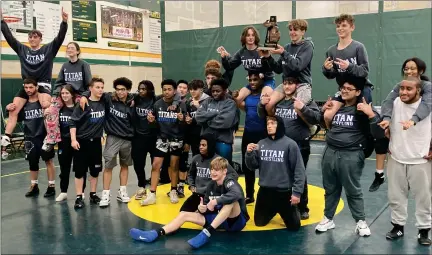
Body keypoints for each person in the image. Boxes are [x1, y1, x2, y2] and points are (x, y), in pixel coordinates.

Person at [298, 76, 385, 237]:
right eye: (343, 88)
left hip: (351, 154)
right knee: (330, 188)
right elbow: (319, 122)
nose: (344, 91)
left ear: (358, 92)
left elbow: (379, 134)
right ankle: (328, 218)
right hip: (330, 152)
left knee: (353, 189)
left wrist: (371, 115)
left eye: (349, 89)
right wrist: (316, 110)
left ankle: (360, 221)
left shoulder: (363, 111)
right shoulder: (335, 108)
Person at [321, 13, 387, 194]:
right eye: (338, 26)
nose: (341, 29)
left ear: (352, 27)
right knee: (327, 114)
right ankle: (334, 143)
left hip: (360, 89)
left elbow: (364, 71)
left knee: (371, 123)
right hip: (343, 90)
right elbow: (331, 75)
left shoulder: (358, 47)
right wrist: (326, 70)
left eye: (344, 25)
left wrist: (348, 67)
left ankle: (379, 172)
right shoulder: (331, 50)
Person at [129, 157, 249, 249]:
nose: (213, 172)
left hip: (235, 222)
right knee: (185, 214)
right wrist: (203, 208)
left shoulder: (229, 181)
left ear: (224, 171)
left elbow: (237, 194)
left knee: (231, 202)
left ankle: (206, 234)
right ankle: (155, 234)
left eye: (217, 170)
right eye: (212, 169)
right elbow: (208, 206)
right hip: (218, 220)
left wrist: (216, 201)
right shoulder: (211, 185)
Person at [1, 9, 68, 150]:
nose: (32, 39)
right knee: (14, 108)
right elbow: (9, 38)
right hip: (27, 84)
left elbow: (59, 38)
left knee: (46, 105)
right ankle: (7, 136)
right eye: (30, 37)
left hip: (43, 83)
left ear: (40, 39)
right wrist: (2, 21)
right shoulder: (22, 49)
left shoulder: (48, 50)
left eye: (35, 37)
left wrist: (64, 22)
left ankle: (50, 136)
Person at [259, 76, 322, 220]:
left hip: (299, 143)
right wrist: (261, 104)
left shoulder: (304, 101)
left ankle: (303, 207)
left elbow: (317, 118)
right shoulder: (278, 102)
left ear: (297, 85)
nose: (287, 87)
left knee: (299, 174)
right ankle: (282, 206)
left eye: (291, 83)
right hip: (280, 145)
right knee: (282, 175)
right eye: (285, 84)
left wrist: (303, 108)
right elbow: (262, 115)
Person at [384, 77, 431, 246]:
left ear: (418, 90)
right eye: (402, 88)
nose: (403, 92)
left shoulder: (427, 106)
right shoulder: (395, 103)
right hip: (396, 157)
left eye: (408, 89)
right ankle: (398, 227)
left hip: (421, 160)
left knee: (423, 198)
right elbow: (385, 116)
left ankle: (424, 230)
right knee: (396, 196)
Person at [79, 77, 134, 207]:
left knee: (125, 165)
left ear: (128, 90)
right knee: (108, 166)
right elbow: (93, 91)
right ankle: (105, 193)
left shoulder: (133, 100)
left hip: (127, 138)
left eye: (123, 90)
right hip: (112, 137)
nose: (120, 92)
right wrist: (83, 96)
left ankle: (122, 191)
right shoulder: (109, 98)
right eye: (118, 89)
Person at [259, 19, 318, 136]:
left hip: (302, 84)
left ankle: (312, 127)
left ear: (303, 31)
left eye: (295, 30)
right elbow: (278, 69)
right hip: (286, 84)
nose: (292, 32)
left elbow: (298, 66)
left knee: (298, 107)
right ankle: (278, 127)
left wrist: (283, 53)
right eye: (290, 30)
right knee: (269, 105)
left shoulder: (307, 46)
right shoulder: (287, 47)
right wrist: (267, 57)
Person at [245, 116, 305, 230]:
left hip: (284, 192)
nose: (269, 126)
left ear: (280, 125)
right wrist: (249, 154)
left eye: (273, 123)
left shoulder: (290, 144)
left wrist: (297, 193)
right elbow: (252, 166)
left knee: (294, 227)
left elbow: (299, 170)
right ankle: (273, 210)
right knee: (259, 223)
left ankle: (290, 210)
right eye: (268, 124)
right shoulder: (261, 143)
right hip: (265, 192)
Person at [140, 79, 187, 206]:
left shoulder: (181, 105)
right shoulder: (157, 104)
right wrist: (151, 121)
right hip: (162, 139)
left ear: (174, 91)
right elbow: (154, 125)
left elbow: (185, 125)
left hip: (176, 139)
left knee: (174, 165)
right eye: (164, 89)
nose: (167, 92)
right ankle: (152, 194)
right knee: (156, 165)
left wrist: (182, 120)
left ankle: (173, 191)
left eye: (169, 89)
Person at [6, 79, 56, 197]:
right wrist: (8, 107)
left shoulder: (43, 101)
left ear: (37, 87)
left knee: (48, 161)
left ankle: (51, 186)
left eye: (31, 87)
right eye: (26, 87)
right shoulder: (23, 104)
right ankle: (34, 186)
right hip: (30, 137)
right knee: (32, 163)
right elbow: (15, 117)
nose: (28, 90)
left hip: (44, 137)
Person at [43, 42, 92, 152]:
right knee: (51, 110)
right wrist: (55, 95)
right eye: (68, 48)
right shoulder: (65, 66)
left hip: (79, 95)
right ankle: (51, 139)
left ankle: (84, 136)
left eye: (72, 48)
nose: (69, 50)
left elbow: (89, 84)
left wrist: (85, 96)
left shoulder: (84, 65)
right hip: (65, 93)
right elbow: (59, 82)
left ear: (77, 51)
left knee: (83, 111)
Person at [69, 78, 106, 209]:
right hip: (81, 142)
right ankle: (79, 197)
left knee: (95, 171)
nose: (100, 89)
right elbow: (73, 122)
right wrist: (73, 140)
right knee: (79, 171)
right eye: (97, 87)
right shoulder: (82, 104)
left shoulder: (104, 101)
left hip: (96, 142)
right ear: (90, 88)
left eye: (102, 87)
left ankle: (93, 194)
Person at [181, 134, 238, 212]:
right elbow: (190, 174)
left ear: (210, 146)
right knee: (183, 212)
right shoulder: (196, 159)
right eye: (200, 145)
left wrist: (220, 186)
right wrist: (191, 185)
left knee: (204, 215)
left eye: (204, 145)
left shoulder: (218, 160)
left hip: (212, 195)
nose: (200, 147)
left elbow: (234, 175)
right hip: (198, 194)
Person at [217, 26, 275, 104]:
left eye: (253, 35)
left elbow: (270, 67)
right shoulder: (241, 52)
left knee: (265, 101)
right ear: (244, 37)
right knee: (236, 100)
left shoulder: (262, 49)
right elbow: (229, 66)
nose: (251, 37)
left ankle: (270, 116)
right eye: (248, 35)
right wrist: (224, 57)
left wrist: (262, 74)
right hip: (253, 82)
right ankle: (249, 111)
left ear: (255, 37)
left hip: (267, 81)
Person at [234, 71, 266, 204]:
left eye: (255, 80)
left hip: (263, 135)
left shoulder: (266, 95)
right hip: (248, 134)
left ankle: (265, 195)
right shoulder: (246, 97)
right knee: (247, 166)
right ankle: (249, 195)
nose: (252, 82)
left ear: (261, 81)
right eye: (250, 80)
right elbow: (239, 103)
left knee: (265, 166)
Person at [196, 78, 239, 164]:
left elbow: (225, 122)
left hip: (222, 142)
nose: (215, 93)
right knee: (206, 168)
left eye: (218, 91)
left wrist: (207, 121)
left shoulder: (230, 104)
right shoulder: (207, 101)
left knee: (223, 168)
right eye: (213, 91)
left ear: (224, 91)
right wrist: (215, 114)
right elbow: (198, 117)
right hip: (207, 142)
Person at [55, 85, 86, 202]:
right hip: (63, 142)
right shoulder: (59, 109)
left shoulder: (78, 108)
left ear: (72, 94)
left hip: (78, 141)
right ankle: (63, 192)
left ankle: (81, 192)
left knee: (80, 168)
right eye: (62, 93)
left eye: (67, 93)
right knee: (64, 168)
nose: (64, 95)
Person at [131, 80, 157, 200]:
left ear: (149, 90)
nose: (141, 91)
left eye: (144, 89)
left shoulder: (156, 101)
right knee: (138, 162)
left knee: (155, 163)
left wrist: (154, 121)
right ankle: (141, 185)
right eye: (140, 88)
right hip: (138, 136)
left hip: (153, 137)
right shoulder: (135, 99)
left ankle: (153, 187)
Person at [185, 79, 210, 156]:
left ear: (201, 89)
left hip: (206, 135)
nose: (192, 91)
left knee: (207, 157)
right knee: (196, 157)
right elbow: (189, 119)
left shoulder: (208, 100)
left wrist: (198, 107)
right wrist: (189, 120)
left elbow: (209, 118)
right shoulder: (189, 102)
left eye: (195, 89)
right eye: (190, 89)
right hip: (194, 136)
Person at [176, 80, 190, 198]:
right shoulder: (168, 101)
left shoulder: (189, 103)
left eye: (184, 88)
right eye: (180, 87)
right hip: (171, 138)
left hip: (184, 137)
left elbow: (190, 124)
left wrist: (188, 141)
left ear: (188, 90)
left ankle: (181, 186)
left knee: (183, 163)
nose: (182, 89)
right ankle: (173, 187)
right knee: (172, 163)